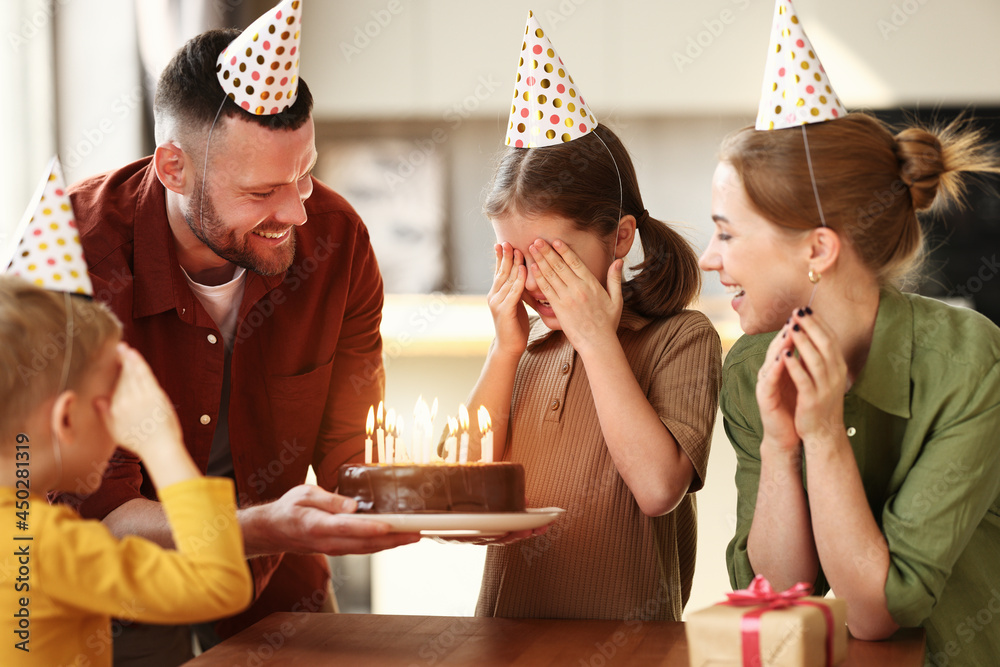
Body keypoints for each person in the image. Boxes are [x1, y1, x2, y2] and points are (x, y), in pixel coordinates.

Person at [51, 24, 418, 663]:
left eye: (303, 176)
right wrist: (264, 527)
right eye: (261, 192)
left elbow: (347, 451)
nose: (297, 213)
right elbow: (100, 507)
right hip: (113, 593)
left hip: (280, 588)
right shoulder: (75, 258)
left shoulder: (338, 243)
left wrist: (434, 505)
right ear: (173, 166)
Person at [700, 110, 1000, 661]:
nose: (708, 258)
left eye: (726, 232)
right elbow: (776, 597)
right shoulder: (751, 369)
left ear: (817, 250)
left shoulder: (968, 363)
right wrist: (780, 445)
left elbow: (878, 612)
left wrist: (824, 433)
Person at [468, 115, 721, 618]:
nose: (533, 282)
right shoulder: (525, 350)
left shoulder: (680, 338)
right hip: (504, 644)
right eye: (514, 259)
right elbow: (462, 489)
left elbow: (656, 490)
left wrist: (597, 341)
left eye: (551, 256)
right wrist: (504, 352)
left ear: (621, 238)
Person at [0, 276, 252, 666]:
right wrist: (160, 442)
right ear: (67, 418)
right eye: (114, 400)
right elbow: (220, 586)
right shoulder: (46, 545)